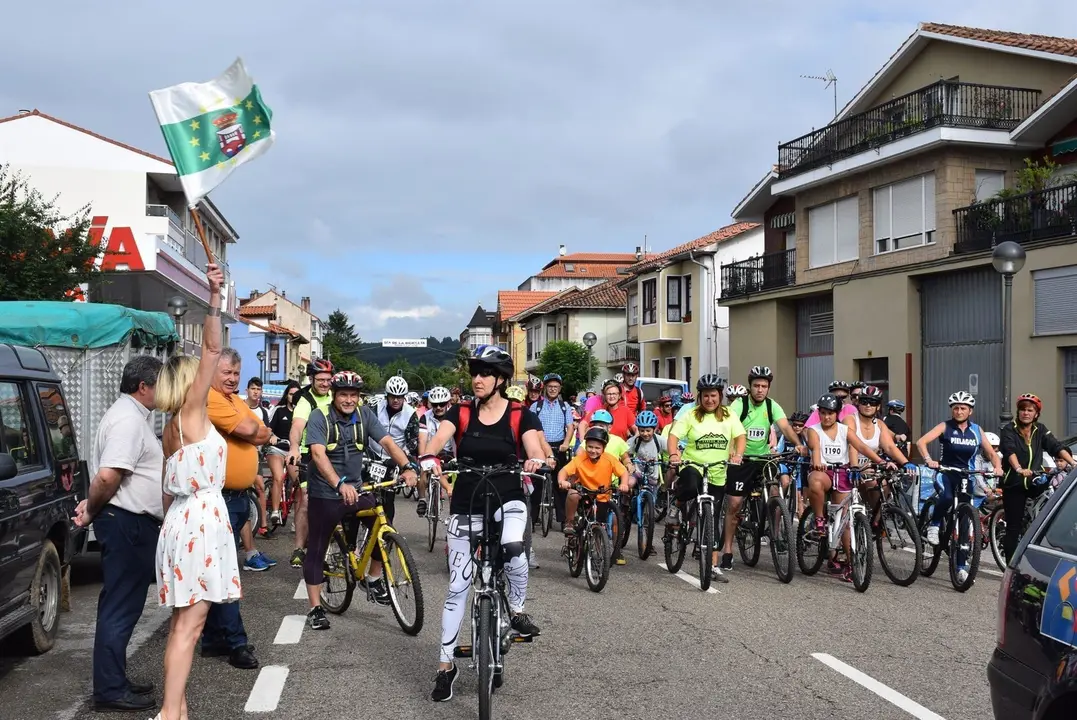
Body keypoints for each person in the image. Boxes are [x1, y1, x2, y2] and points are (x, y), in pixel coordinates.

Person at [418, 345, 546, 703]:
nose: (477, 379)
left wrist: (535, 461)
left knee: (514, 549)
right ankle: (446, 667)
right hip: (468, 499)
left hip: (508, 498)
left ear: (501, 380)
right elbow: (439, 438)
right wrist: (429, 457)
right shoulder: (459, 412)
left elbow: (534, 448)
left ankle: (517, 609)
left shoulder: (521, 414)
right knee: (457, 587)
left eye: (485, 373)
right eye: (474, 372)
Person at [153, 263, 245, 720]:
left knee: (182, 626)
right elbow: (212, 346)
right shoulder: (191, 415)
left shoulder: (173, 427)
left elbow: (166, 495)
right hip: (200, 522)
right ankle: (171, 714)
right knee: (190, 627)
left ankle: (179, 708)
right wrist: (214, 295)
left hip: (182, 522)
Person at [74, 356, 164, 714]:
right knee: (119, 608)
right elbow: (108, 476)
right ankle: (110, 689)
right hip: (127, 522)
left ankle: (115, 679)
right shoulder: (128, 421)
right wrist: (92, 508)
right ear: (143, 387)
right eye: (161, 383)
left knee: (121, 605)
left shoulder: (130, 416)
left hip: (129, 521)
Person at [303, 371, 418, 630]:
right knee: (318, 547)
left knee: (382, 523)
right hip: (326, 491)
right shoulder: (319, 417)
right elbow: (318, 455)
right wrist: (338, 484)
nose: (348, 400)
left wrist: (407, 466)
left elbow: (387, 442)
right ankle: (315, 608)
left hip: (356, 489)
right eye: (343, 394)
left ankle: (374, 578)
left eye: (353, 395)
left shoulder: (365, 414)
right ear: (334, 395)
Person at [203, 347, 279, 670]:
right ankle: (235, 641)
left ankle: (213, 637)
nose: (233, 379)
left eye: (236, 373)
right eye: (227, 373)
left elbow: (261, 430)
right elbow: (253, 431)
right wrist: (259, 434)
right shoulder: (212, 399)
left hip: (236, 497)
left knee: (220, 569)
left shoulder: (234, 401)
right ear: (213, 373)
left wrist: (260, 433)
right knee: (225, 571)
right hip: (219, 497)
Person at [721, 366, 805, 574]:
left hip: (763, 458)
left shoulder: (771, 405)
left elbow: (785, 427)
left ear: (768, 388)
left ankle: (775, 532)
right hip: (741, 459)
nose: (760, 390)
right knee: (735, 504)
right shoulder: (740, 405)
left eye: (764, 386)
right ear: (750, 387)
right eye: (756, 386)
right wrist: (732, 453)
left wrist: (798, 444)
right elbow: (727, 428)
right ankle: (728, 551)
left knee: (775, 494)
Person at [666, 374, 746, 582]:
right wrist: (674, 454)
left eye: (713, 395)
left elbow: (740, 436)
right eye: (705, 396)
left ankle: (712, 566)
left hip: (718, 470)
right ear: (699, 397)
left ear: (720, 396)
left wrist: (738, 454)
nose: (709, 400)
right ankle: (677, 504)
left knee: (715, 518)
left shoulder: (728, 415)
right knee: (691, 484)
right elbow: (674, 436)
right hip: (694, 465)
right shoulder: (691, 415)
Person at [804, 393, 890, 582]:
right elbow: (816, 449)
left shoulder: (844, 430)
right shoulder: (813, 430)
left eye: (831, 414)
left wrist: (881, 461)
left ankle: (851, 564)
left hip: (842, 473)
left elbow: (861, 447)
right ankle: (819, 519)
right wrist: (818, 463)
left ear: (837, 414)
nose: (827, 417)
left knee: (844, 521)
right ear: (819, 413)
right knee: (816, 481)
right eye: (823, 413)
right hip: (824, 472)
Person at [914, 392, 1003, 559]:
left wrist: (998, 467)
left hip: (966, 476)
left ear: (970, 411)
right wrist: (928, 459)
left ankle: (961, 565)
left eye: (963, 408)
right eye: (956, 408)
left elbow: (991, 453)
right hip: (946, 473)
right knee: (947, 497)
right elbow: (921, 442)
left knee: (964, 519)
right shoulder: (945, 426)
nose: (959, 411)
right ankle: (934, 524)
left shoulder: (976, 430)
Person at [997, 393, 1074, 562]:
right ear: (1018, 412)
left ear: (1036, 413)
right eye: (1023, 410)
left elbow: (1056, 446)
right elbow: (1009, 451)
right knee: (1014, 527)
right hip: (1015, 483)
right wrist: (1018, 468)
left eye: (1030, 410)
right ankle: (1010, 566)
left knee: (1051, 504)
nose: (1026, 413)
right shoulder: (1009, 429)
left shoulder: (1040, 429)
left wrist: (1073, 463)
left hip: (1035, 481)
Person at [286, 358, 335, 567]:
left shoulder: (338, 395)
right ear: (312, 379)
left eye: (328, 380)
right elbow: (297, 426)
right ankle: (298, 548)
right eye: (320, 380)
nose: (325, 384)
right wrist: (294, 447)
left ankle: (336, 548)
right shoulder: (306, 400)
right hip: (308, 454)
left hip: (333, 453)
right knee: (305, 500)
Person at [559, 427, 633, 545]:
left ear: (603, 448)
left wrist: (624, 484)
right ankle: (570, 522)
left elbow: (623, 472)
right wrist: (562, 481)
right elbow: (563, 471)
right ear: (585, 446)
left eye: (597, 448)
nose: (593, 451)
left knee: (604, 524)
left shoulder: (609, 459)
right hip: (584, 494)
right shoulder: (580, 459)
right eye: (590, 447)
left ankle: (613, 550)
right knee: (572, 494)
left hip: (602, 496)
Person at [529, 373, 575, 527]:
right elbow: (530, 428)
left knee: (560, 483)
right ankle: (533, 518)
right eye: (550, 387)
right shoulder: (536, 406)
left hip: (559, 446)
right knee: (536, 484)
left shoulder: (565, 406)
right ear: (545, 388)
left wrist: (567, 442)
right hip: (539, 447)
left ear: (560, 389)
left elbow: (570, 427)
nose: (553, 389)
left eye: (556, 387)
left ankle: (562, 520)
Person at [374, 375, 419, 519]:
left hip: (393, 459)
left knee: (388, 498)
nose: (396, 400)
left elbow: (413, 441)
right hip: (372, 455)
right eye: (392, 396)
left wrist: (404, 457)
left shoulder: (410, 413)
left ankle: (387, 532)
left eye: (399, 397)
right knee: (366, 495)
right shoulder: (375, 408)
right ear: (387, 396)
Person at [267, 380, 301, 528]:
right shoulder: (279, 410)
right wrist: (272, 437)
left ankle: (298, 520)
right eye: (291, 394)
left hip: (294, 452)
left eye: (296, 394)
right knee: (278, 477)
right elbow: (268, 430)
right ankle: (274, 511)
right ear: (286, 395)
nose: (293, 397)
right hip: (278, 449)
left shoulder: (303, 412)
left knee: (300, 484)